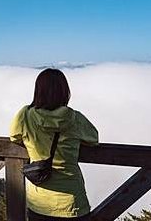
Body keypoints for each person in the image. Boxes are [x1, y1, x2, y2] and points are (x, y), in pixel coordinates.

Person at [9, 68, 98, 220]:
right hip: (71, 203)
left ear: (38, 91)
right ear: (64, 92)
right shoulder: (75, 118)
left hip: (39, 202)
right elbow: (93, 139)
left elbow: (14, 136)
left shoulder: (25, 115)